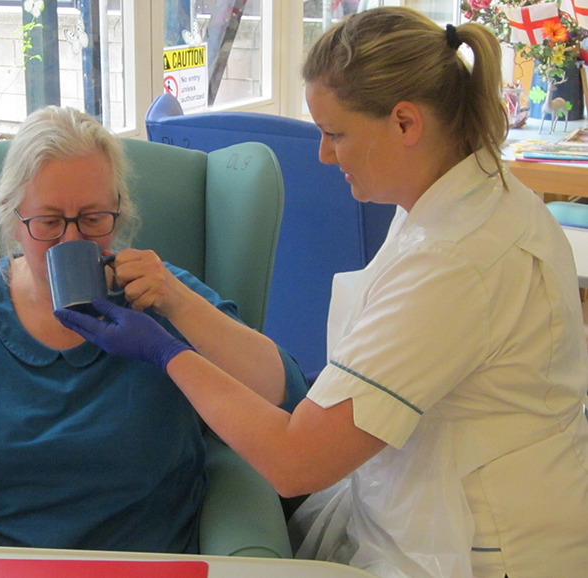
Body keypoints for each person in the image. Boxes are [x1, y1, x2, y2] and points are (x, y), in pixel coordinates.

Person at [55, 8, 588, 578]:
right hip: (427, 500)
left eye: (335, 134)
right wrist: (177, 302)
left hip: (485, 549)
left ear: (406, 123)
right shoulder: (453, 201)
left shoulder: (458, 259)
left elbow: (295, 460)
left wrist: (165, 351)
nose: (323, 155)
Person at [0, 106, 307, 552]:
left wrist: (179, 303)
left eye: (94, 219)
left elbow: (282, 392)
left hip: (143, 562)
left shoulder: (157, 295)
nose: (72, 242)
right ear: (13, 222)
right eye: (49, 222)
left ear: (120, 213)